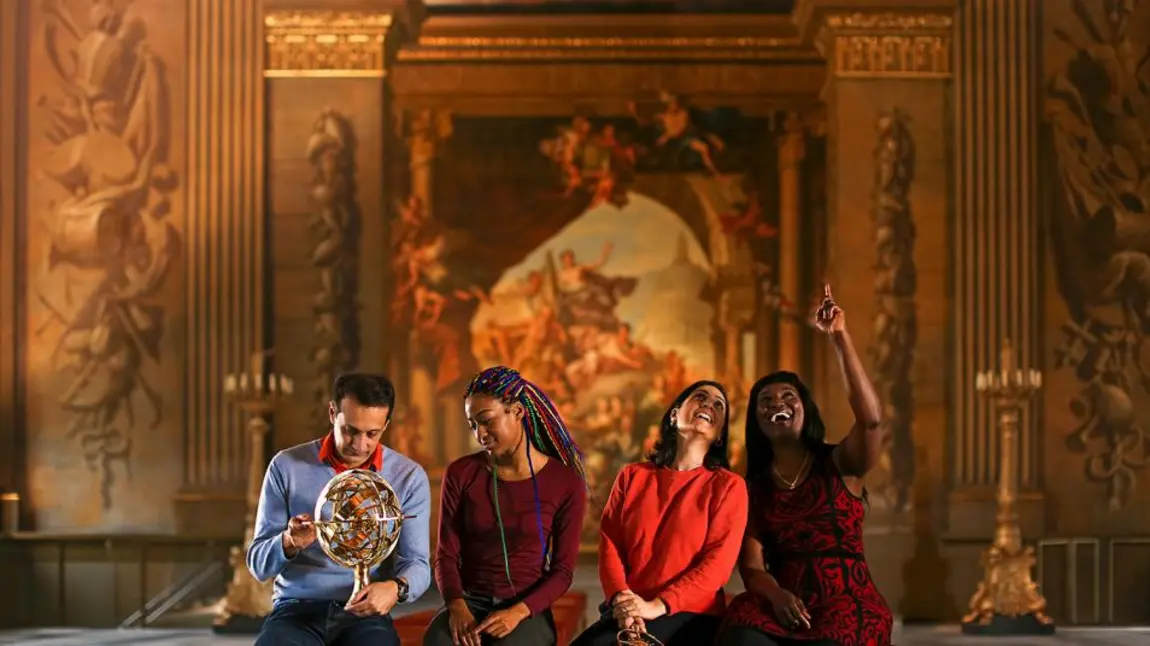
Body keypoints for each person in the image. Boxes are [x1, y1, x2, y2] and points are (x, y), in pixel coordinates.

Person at [718, 285, 892, 646]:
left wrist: (839, 337)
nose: (775, 403)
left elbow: (872, 421)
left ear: (804, 410)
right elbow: (751, 568)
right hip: (784, 603)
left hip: (847, 603)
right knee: (739, 634)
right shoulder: (753, 489)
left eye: (787, 397)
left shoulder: (840, 462)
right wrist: (778, 596)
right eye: (764, 401)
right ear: (756, 420)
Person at [247, 373, 431, 646]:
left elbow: (417, 564)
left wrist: (395, 588)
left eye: (372, 434)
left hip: (365, 614)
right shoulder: (286, 466)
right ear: (333, 413)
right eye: (351, 431)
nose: (360, 445)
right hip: (296, 610)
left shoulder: (408, 477)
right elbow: (258, 566)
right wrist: (289, 542)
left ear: (386, 424)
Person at [571, 380, 748, 646]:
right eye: (700, 397)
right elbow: (611, 546)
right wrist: (623, 600)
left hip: (690, 617)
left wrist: (656, 606)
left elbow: (717, 567)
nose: (708, 405)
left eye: (718, 405)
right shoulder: (631, 476)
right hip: (627, 612)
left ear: (720, 434)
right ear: (675, 415)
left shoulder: (729, 486)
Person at [425, 366, 589, 646]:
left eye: (486, 420)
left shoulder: (566, 482)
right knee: (438, 641)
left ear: (517, 412)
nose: (480, 434)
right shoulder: (461, 473)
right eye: (472, 425)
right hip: (468, 602)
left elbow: (562, 572)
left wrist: (517, 613)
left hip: (526, 608)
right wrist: (457, 606)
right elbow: (446, 555)